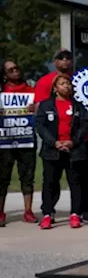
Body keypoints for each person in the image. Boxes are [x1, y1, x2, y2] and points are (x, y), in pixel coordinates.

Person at [34, 48, 88, 224]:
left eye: (68, 58)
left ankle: (81, 211)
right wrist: (53, 142)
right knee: (51, 180)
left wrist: (73, 141)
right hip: (53, 144)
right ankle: (48, 212)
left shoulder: (80, 80)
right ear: (55, 61)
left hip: (78, 143)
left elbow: (85, 120)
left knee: (81, 179)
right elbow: (40, 118)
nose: (65, 61)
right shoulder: (45, 82)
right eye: (61, 58)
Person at [0, 59, 38, 226]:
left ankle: (28, 211)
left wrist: (34, 109)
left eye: (17, 68)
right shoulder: (1, 91)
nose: (15, 71)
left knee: (27, 176)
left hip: (26, 139)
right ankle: (0, 212)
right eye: (11, 70)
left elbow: (40, 110)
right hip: (4, 141)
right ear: (4, 75)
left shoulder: (30, 90)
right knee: (2, 178)